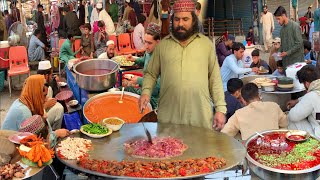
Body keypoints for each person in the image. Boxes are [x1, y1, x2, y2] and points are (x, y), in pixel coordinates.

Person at [139, 0, 227, 130]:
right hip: (169, 118)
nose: (180, 24)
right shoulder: (163, 46)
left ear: (193, 20)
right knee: (168, 148)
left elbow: (215, 79)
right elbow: (151, 73)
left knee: (199, 149)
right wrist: (146, 92)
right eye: (177, 19)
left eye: (185, 19)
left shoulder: (205, 45)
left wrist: (220, 109)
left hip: (199, 117)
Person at [221, 83, 288, 140]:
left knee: (235, 136)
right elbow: (285, 124)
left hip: (251, 150)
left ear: (243, 100)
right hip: (274, 146)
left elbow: (225, 134)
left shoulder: (238, 114)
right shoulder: (274, 106)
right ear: (259, 95)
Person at [1, 75, 66, 133]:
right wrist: (56, 134)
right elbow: (33, 142)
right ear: (36, 94)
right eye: (44, 95)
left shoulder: (22, 100)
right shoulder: (25, 113)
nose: (45, 99)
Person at [125, 23, 161, 109]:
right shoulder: (149, 52)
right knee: (125, 91)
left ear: (158, 42)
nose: (146, 46)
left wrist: (139, 80)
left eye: (149, 43)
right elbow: (144, 60)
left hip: (154, 99)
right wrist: (134, 59)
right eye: (145, 42)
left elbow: (158, 86)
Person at [287, 65, 320, 138]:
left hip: (318, 134)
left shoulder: (312, 96)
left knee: (291, 119)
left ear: (307, 84)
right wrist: (297, 100)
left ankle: (310, 145)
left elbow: (293, 116)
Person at [37, 61, 64, 130]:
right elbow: (34, 112)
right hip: (36, 120)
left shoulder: (40, 83)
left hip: (42, 112)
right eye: (51, 75)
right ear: (46, 75)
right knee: (59, 108)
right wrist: (45, 106)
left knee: (57, 105)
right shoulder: (40, 87)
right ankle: (54, 133)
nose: (52, 77)